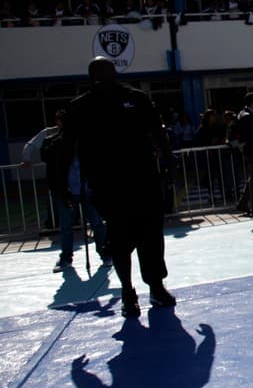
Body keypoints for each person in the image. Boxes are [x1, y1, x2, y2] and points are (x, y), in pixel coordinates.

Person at [61, 57, 175, 317]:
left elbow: (157, 132)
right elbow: (66, 146)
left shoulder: (136, 98)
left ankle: (156, 286)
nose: (101, 76)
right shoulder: (80, 107)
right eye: (96, 73)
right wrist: (60, 183)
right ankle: (127, 292)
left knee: (152, 237)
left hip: (144, 178)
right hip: (108, 184)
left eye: (105, 71)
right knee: (120, 240)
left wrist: (169, 161)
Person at [22, 110, 109, 272]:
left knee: (96, 222)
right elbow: (45, 155)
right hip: (64, 190)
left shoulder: (85, 139)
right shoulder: (52, 140)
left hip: (86, 188)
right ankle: (66, 258)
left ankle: (105, 254)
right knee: (66, 226)